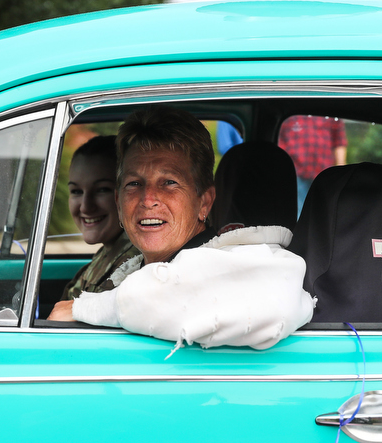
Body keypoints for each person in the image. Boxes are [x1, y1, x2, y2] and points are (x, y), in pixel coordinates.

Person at [48, 106, 314, 353]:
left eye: (169, 182)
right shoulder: (129, 269)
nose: (148, 198)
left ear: (204, 202)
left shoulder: (237, 259)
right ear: (119, 202)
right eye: (134, 184)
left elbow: (273, 302)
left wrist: (87, 308)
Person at [61, 135, 140, 300]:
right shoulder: (109, 252)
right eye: (76, 191)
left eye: (102, 189)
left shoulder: (132, 265)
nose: (85, 206)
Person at [277, 115, 347, 216]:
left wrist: (341, 171)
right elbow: (280, 142)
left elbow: (339, 141)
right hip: (296, 174)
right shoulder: (291, 114)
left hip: (324, 175)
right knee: (298, 214)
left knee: (323, 215)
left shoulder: (331, 113)